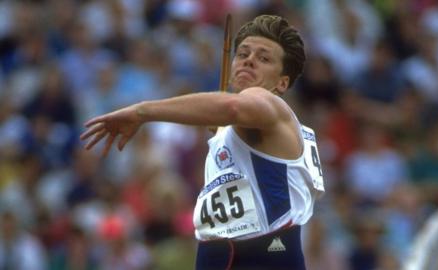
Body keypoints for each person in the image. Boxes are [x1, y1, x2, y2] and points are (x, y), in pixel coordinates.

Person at [81, 14, 325, 270]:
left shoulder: (269, 105)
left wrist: (142, 111)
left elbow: (231, 107)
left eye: (263, 58)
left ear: (282, 82)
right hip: (227, 255)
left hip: (263, 252)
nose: (249, 60)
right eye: (242, 54)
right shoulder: (245, 126)